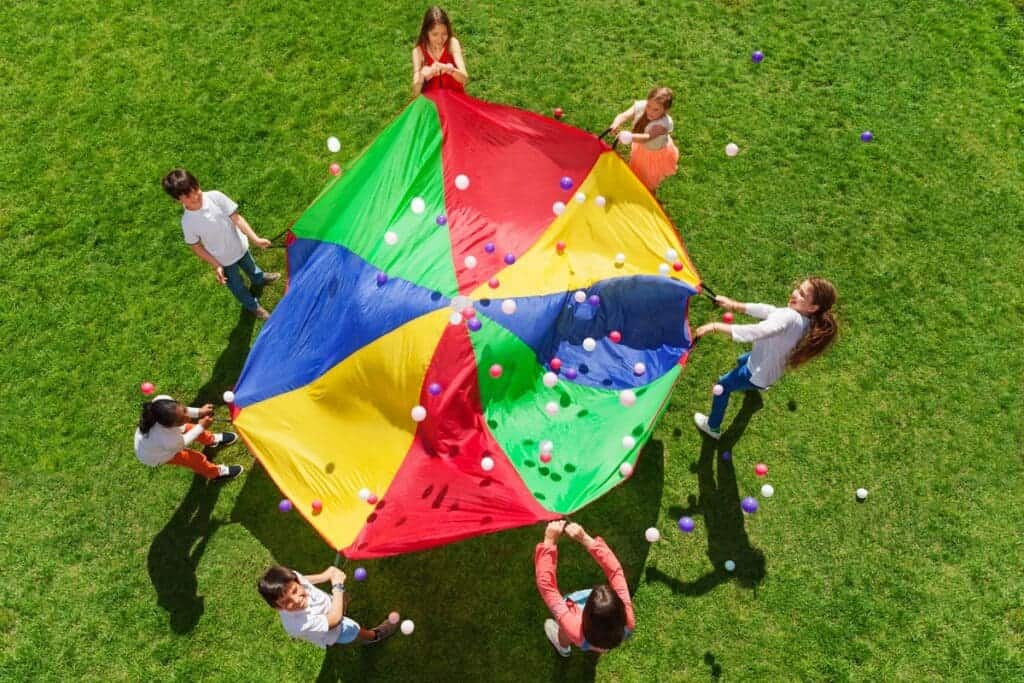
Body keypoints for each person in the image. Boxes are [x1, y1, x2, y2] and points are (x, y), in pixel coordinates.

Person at [692, 277, 839, 439]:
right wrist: (733, 305)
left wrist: (715, 326)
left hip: (756, 372)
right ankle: (756, 388)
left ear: (813, 307)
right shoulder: (808, 320)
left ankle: (712, 427)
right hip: (768, 366)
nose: (796, 293)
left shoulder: (790, 317)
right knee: (742, 360)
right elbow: (769, 311)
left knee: (722, 386)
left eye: (803, 295)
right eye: (799, 289)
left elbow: (758, 331)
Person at [162, 168, 280, 320]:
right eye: (188, 196)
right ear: (178, 200)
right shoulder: (188, 222)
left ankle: (259, 279)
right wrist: (216, 264)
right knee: (237, 286)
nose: (196, 196)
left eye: (195, 189)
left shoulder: (215, 197)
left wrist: (255, 239)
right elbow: (196, 247)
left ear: (197, 183)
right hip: (224, 261)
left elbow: (237, 218)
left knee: (251, 266)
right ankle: (253, 306)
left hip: (240, 247)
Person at [534, 520, 635, 657]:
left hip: (579, 636)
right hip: (597, 640)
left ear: (586, 613)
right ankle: (601, 648)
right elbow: (615, 572)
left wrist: (549, 540)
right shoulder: (629, 620)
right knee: (577, 633)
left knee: (565, 631)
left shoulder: (573, 626)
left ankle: (563, 647)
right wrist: (584, 538)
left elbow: (546, 587)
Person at [258, 565, 399, 647]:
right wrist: (337, 586)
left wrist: (324, 575)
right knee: (354, 629)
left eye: (295, 590)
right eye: (286, 602)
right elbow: (334, 620)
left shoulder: (291, 578)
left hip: (329, 604)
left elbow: (303, 579)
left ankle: (342, 604)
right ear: (277, 608)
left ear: (296, 582)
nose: (295, 600)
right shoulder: (297, 625)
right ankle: (373, 636)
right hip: (336, 630)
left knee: (340, 601)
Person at [135, 395, 243, 482]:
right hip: (156, 455)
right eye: (181, 420)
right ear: (169, 426)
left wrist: (199, 412)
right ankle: (216, 473)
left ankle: (211, 440)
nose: (188, 417)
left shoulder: (161, 402)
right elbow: (183, 442)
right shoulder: (167, 439)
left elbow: (181, 411)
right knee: (194, 459)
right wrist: (201, 426)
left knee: (191, 427)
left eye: (184, 412)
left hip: (160, 440)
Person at [609, 87, 679, 192]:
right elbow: (624, 115)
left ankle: (650, 200)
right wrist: (615, 123)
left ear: (665, 110)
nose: (650, 111)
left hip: (655, 155)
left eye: (656, 109)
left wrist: (630, 137)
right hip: (641, 150)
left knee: (648, 183)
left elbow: (647, 138)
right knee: (637, 174)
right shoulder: (641, 106)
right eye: (649, 106)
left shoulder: (664, 124)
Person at [411, 6, 468, 96]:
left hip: (455, 99)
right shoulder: (418, 52)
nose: (440, 40)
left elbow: (464, 79)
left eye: (444, 34)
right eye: (435, 34)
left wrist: (451, 70)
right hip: (431, 103)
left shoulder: (452, 43)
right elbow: (416, 92)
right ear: (426, 33)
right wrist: (422, 76)